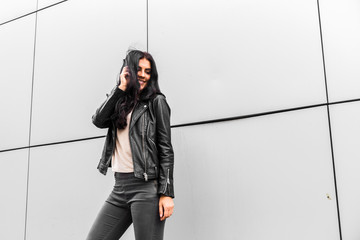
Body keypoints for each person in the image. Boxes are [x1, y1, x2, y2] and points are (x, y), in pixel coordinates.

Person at [87, 50, 174, 240]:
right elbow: (98, 120)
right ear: (128, 70)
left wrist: (166, 193)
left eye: (148, 71)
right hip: (119, 188)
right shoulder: (120, 101)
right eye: (138, 69)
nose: (143, 74)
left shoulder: (156, 102)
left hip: (146, 189)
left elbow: (166, 149)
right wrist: (121, 88)